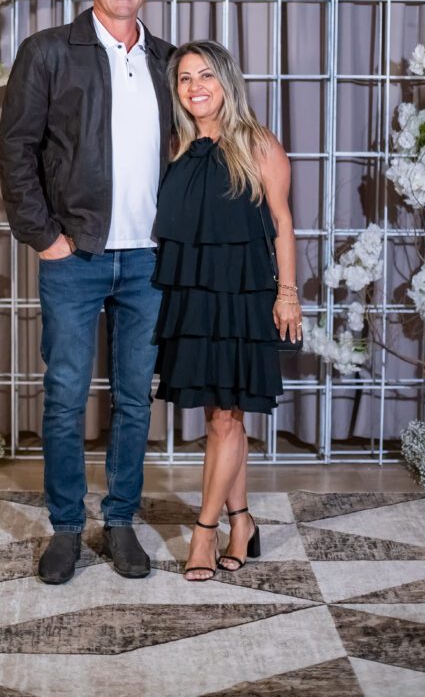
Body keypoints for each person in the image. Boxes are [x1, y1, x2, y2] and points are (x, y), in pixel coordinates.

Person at [0, 0, 173, 585]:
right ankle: (67, 528)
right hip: (74, 255)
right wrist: (44, 236)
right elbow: (15, 148)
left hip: (149, 259)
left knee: (134, 398)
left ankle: (120, 521)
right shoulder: (48, 52)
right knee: (66, 397)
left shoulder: (167, 60)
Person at [152, 40, 301, 581]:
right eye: (185, 78)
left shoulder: (258, 144)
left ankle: (204, 531)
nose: (195, 87)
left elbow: (282, 223)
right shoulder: (176, 147)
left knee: (223, 419)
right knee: (221, 416)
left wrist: (288, 294)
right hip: (192, 297)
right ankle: (243, 522)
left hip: (243, 296)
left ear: (227, 82)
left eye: (206, 76)